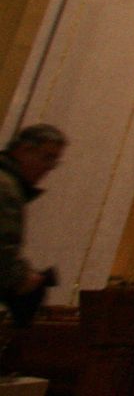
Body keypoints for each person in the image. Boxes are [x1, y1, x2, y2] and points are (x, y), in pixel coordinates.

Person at [0, 124, 64, 328]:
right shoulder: (7, 189)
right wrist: (27, 279)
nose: (49, 167)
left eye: (54, 161)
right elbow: (3, 253)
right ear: (24, 150)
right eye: (47, 157)